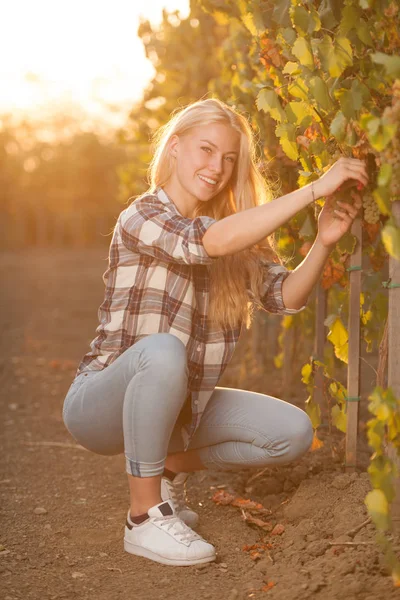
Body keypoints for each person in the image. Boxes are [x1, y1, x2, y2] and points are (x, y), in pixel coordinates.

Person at [62, 98, 367, 567]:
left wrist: (323, 244)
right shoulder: (143, 215)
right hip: (99, 404)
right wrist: (313, 191)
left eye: (228, 159)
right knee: (162, 350)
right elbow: (206, 243)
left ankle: (165, 470)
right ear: (176, 148)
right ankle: (143, 517)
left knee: (291, 432)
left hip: (182, 408)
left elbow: (284, 297)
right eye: (206, 150)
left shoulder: (235, 234)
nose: (217, 167)